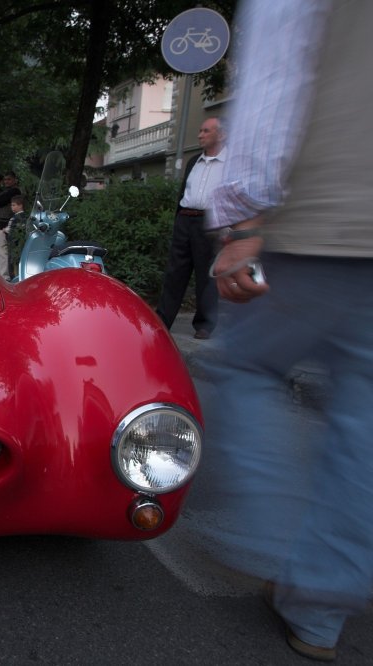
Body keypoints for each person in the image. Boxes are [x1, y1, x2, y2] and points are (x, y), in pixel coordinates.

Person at [204, 1, 373, 660]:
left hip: (316, 223)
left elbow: (279, 71)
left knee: (244, 368)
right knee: (363, 421)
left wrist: (246, 220)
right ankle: (322, 606)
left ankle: (267, 545)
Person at [156, 117, 225, 339]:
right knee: (175, 272)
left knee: (206, 275)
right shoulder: (193, 161)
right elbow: (183, 194)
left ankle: (204, 324)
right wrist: (178, 220)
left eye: (206, 131)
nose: (200, 135)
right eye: (200, 130)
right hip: (185, 219)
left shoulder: (230, 164)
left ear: (220, 134)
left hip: (210, 223)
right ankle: (162, 319)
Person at [0, 171, 21, 280]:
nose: (6, 182)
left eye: (9, 179)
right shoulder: (5, 191)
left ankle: (5, 276)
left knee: (4, 252)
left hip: (5, 224)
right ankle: (3, 274)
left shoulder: (15, 191)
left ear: (14, 180)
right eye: (5, 180)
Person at [6, 194, 29, 280]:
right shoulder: (20, 217)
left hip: (16, 245)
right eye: (11, 205)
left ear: (20, 205)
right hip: (15, 244)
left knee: (14, 263)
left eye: (14, 205)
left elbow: (16, 231)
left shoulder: (19, 218)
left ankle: (16, 278)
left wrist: (6, 230)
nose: (12, 207)